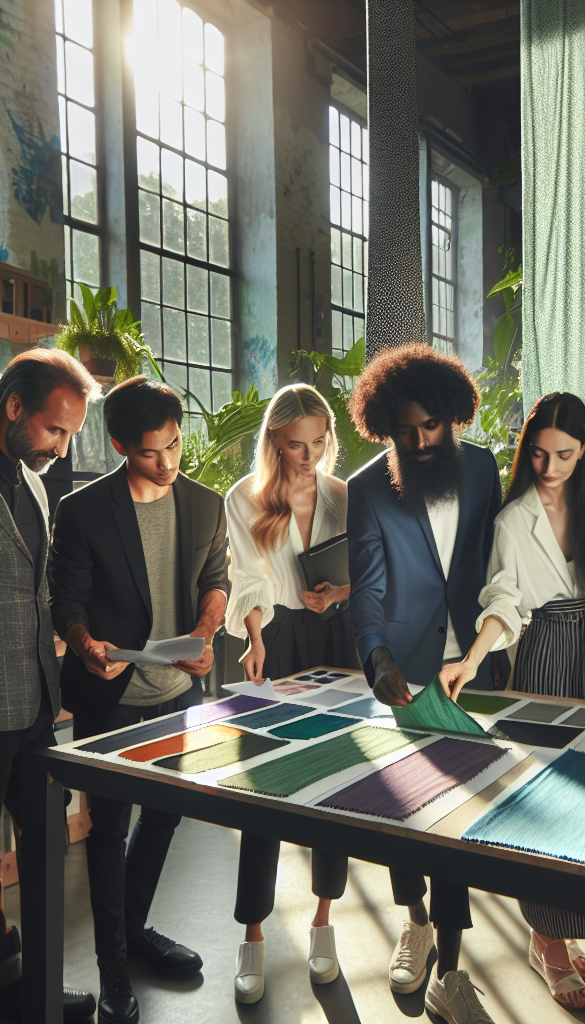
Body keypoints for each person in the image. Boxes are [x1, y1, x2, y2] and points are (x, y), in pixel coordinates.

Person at [49, 377, 229, 1024]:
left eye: (176, 445)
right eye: (153, 453)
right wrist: (82, 640)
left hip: (178, 692)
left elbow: (215, 579)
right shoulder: (83, 510)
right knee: (107, 831)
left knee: (164, 817)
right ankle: (113, 969)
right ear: (123, 445)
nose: (169, 462)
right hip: (111, 696)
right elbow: (65, 600)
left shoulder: (205, 504)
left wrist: (206, 634)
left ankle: (136, 932)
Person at [439, 392, 585, 1011]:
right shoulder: (514, 517)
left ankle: (563, 929)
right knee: (548, 800)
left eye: (564, 454)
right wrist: (470, 658)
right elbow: (504, 600)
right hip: (544, 650)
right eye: (539, 454)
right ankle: (546, 939)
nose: (549, 467)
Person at [347, 342, 502, 1024]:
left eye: (431, 427)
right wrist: (378, 661)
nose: (420, 440)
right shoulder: (367, 489)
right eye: (405, 431)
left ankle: (453, 967)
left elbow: (502, 563)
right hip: (404, 671)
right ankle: (414, 922)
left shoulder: (487, 468)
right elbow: (367, 591)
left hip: (477, 665)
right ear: (385, 428)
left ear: (454, 417)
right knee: (408, 814)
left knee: (462, 823)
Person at [225, 383, 358, 1004]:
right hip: (274, 635)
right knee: (266, 785)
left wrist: (338, 595)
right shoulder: (245, 497)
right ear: (274, 441)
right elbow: (247, 579)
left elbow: (365, 571)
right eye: (295, 445)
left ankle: (323, 923)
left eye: (317, 443)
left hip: (335, 637)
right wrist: (255, 641)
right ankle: (252, 933)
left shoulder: (342, 495)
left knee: (335, 785)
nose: (308, 456)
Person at [0, 350, 99, 1022]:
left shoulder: (35, 484)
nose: (61, 451)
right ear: (14, 409)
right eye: (55, 431)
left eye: (69, 436)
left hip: (33, 698)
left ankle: (36, 995)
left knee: (48, 841)